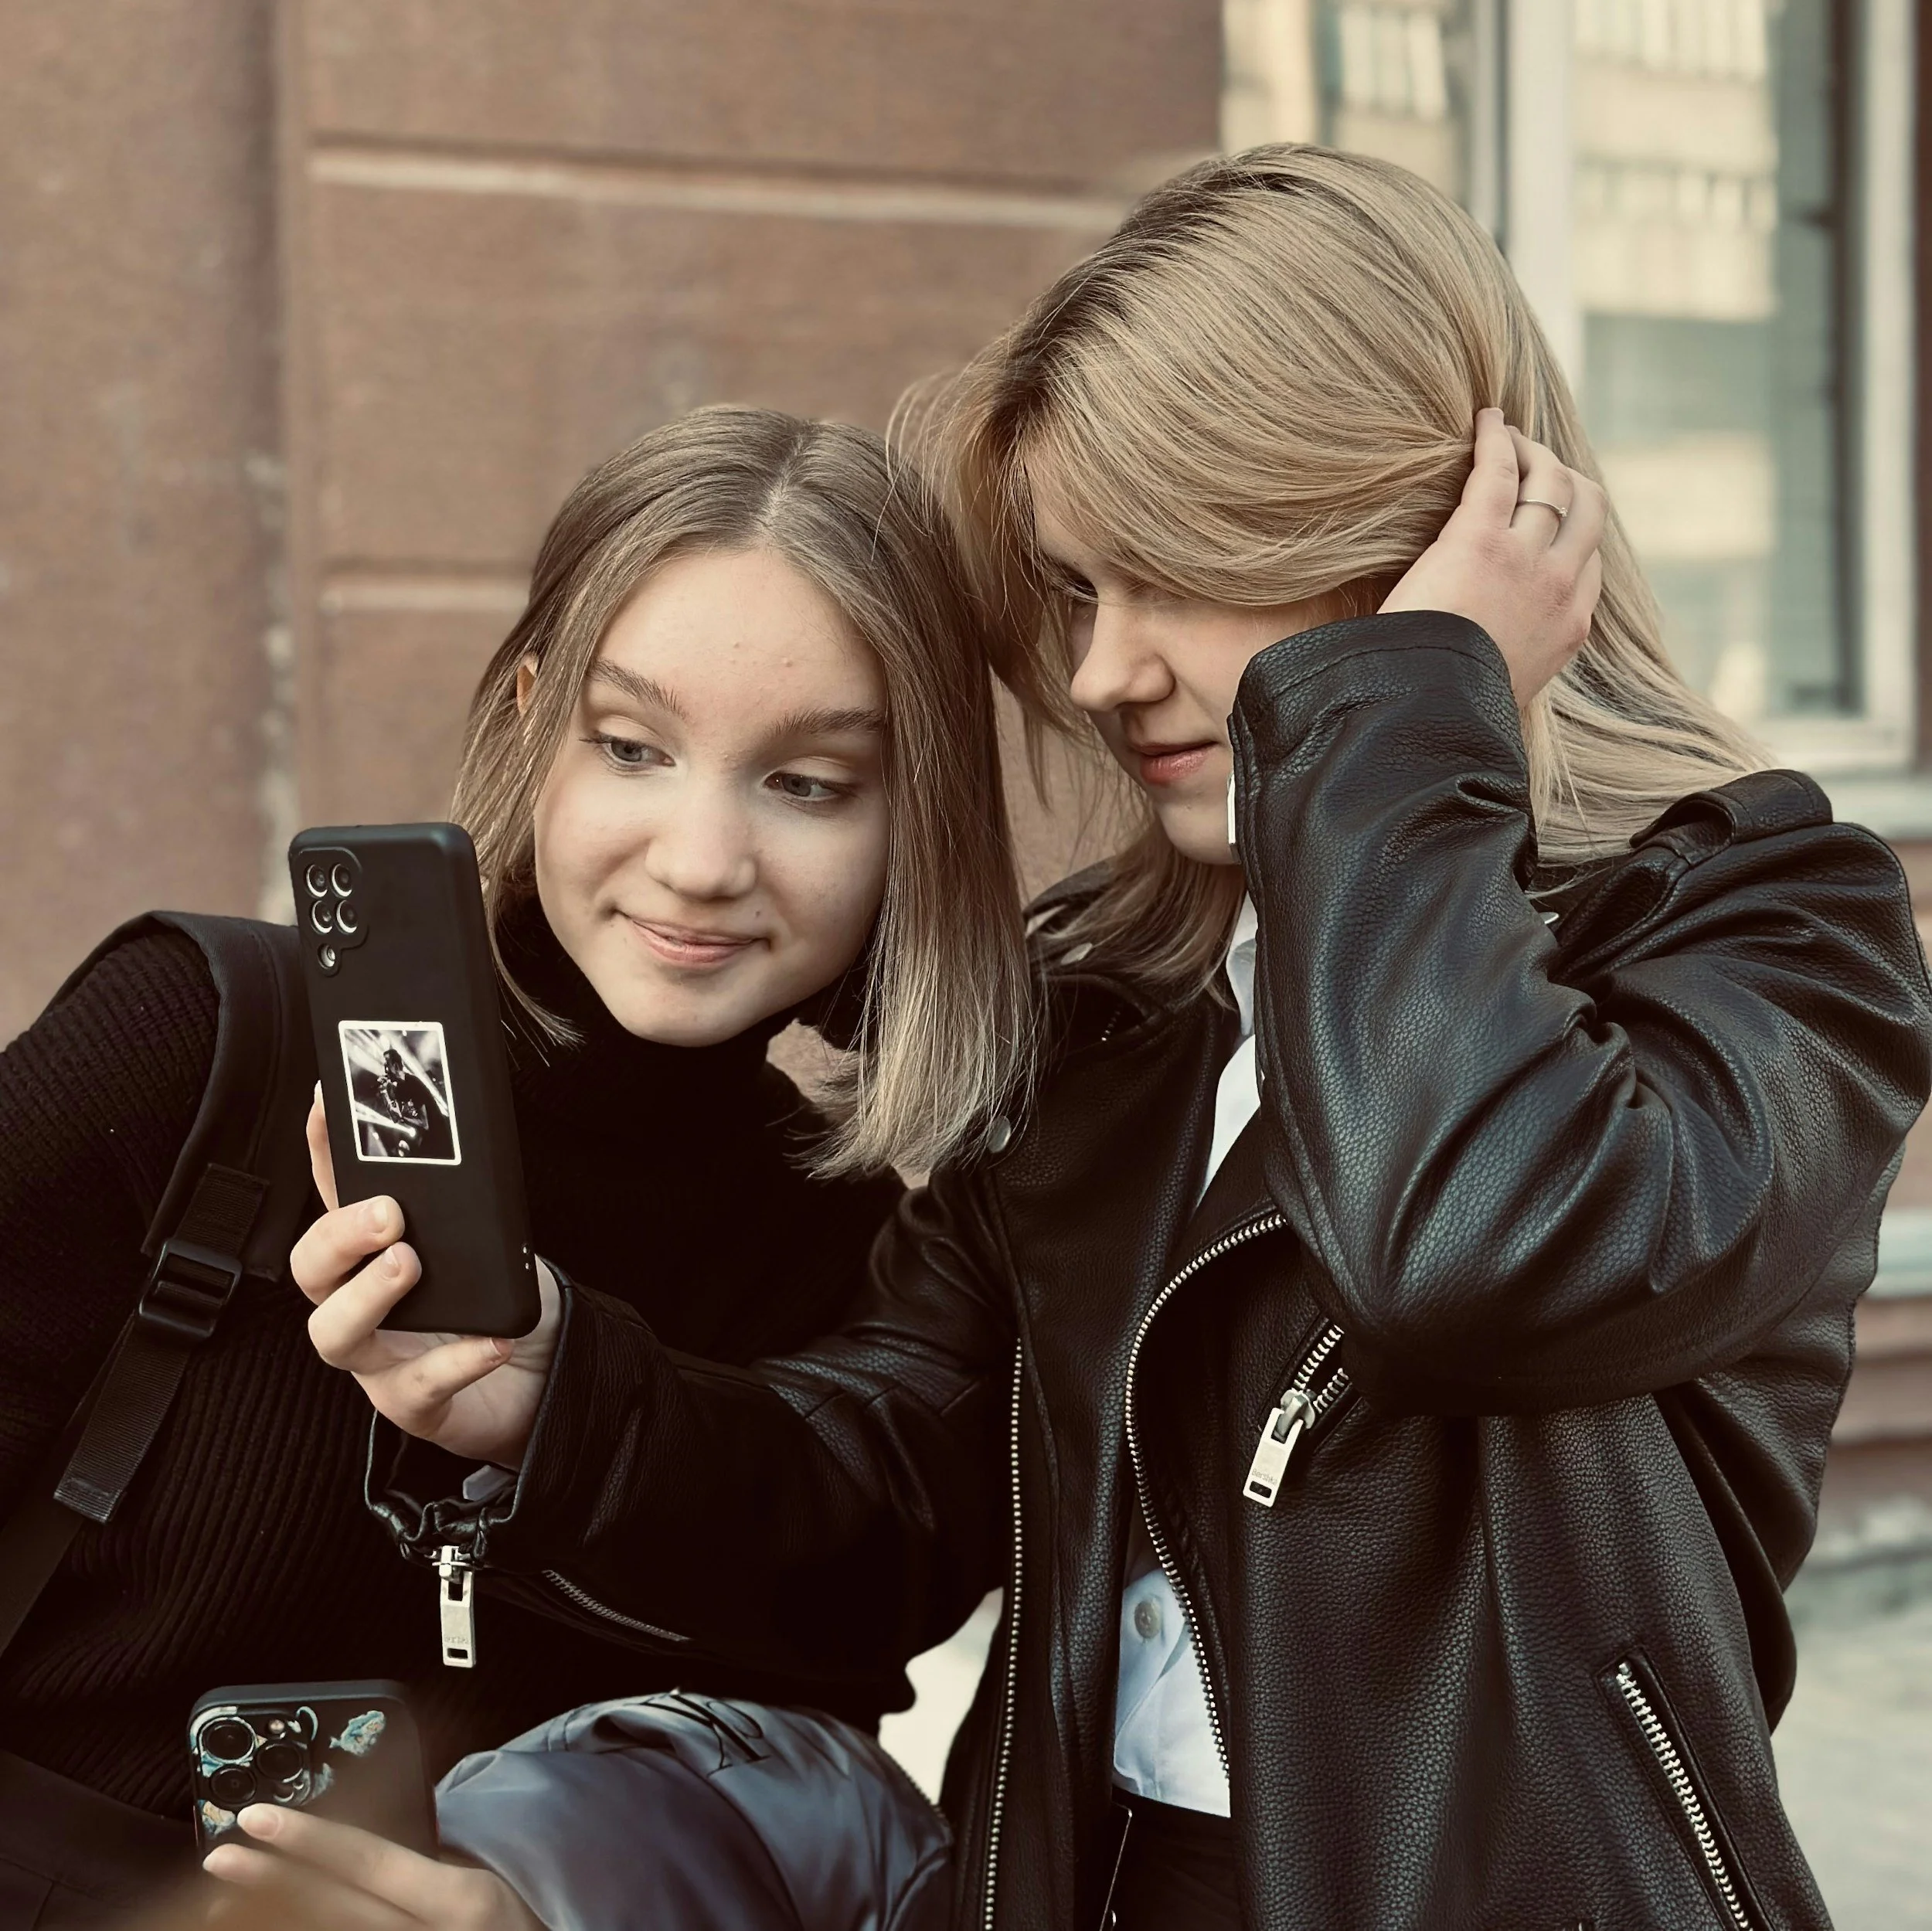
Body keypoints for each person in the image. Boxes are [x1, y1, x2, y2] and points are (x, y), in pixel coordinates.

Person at [289, 148, 1932, 1929]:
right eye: (1075, 592)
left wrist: (1393, 720)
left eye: (1175, 579)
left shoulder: (1762, 926)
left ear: (1403, 545)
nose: (1098, 672)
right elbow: (897, 1482)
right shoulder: (1112, 1012)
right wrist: (563, 1397)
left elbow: (1474, 1261)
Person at [0, 404, 1026, 1926]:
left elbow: (796, 1809)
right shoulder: (202, 1049)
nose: (696, 857)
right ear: (537, 720)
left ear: (910, 814)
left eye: (806, 781)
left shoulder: (880, 1277)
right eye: (631, 747)